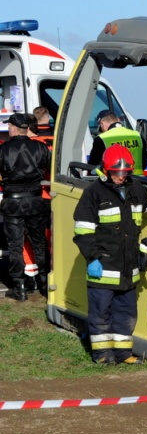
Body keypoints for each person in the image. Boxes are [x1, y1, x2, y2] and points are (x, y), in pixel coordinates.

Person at [73, 144, 147, 364]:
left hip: (128, 270)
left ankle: (123, 354)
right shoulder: (93, 193)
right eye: (116, 173)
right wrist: (93, 258)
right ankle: (103, 355)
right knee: (101, 316)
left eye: (125, 173)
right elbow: (83, 232)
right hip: (103, 269)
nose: (120, 177)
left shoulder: (135, 189)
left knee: (126, 314)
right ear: (106, 170)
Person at [1, 114, 51, 300]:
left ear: (14, 128)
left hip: (13, 201)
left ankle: (19, 287)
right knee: (39, 243)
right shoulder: (40, 147)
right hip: (35, 200)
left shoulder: (4, 149)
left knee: (15, 245)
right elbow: (49, 168)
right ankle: (45, 283)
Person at [88, 111, 145, 175]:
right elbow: (144, 161)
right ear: (118, 120)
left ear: (102, 124)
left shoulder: (102, 138)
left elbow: (92, 167)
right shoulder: (137, 135)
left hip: (115, 180)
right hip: (138, 180)